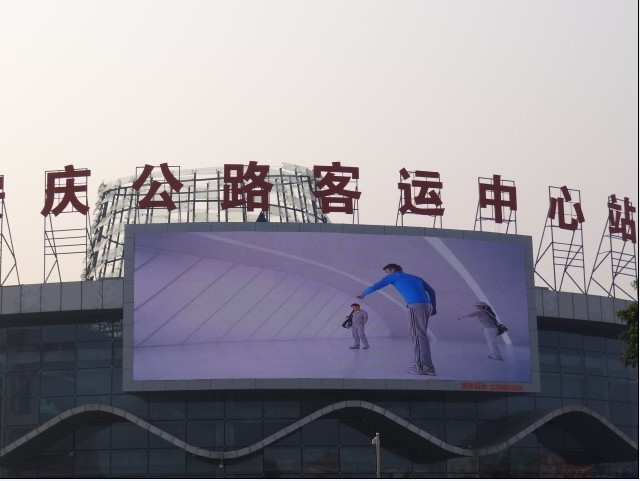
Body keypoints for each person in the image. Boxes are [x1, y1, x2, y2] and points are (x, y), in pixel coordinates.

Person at [357, 263, 437, 376]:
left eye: (387, 272)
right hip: (426, 305)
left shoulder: (394, 276)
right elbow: (432, 291)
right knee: (419, 335)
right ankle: (420, 362)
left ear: (392, 270)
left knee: (418, 336)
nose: (387, 274)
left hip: (416, 306)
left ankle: (425, 368)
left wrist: (363, 294)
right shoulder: (415, 277)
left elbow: (377, 285)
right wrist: (434, 306)